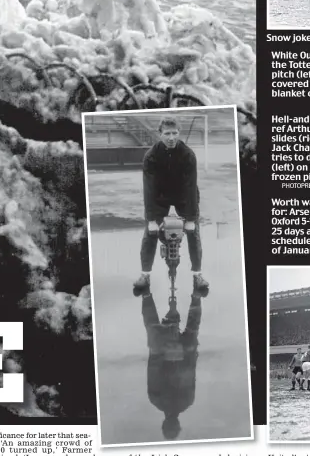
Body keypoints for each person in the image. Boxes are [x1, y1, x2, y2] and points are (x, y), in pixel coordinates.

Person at [133, 118, 209, 297]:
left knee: (194, 232)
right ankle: (145, 275)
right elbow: (149, 188)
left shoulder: (188, 155)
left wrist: (190, 219)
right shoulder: (151, 156)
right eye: (167, 133)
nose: (171, 137)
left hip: (184, 195)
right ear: (160, 134)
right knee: (150, 233)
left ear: (179, 133)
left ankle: (197, 275)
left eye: (175, 133)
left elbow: (191, 186)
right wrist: (152, 220)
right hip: (160, 196)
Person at [142, 291, 203, 441]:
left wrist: (185, 351)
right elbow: (153, 368)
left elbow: (190, 370)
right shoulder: (155, 400)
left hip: (182, 351)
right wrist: (163, 349)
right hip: (167, 350)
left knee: (193, 328)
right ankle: (146, 296)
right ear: (164, 423)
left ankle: (196, 298)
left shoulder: (188, 401)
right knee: (152, 329)